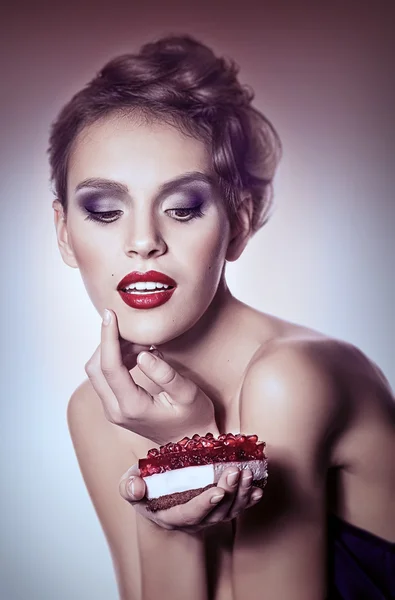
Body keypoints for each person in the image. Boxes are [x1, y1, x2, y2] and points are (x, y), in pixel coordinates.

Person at [50, 34, 395, 600]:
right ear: (64, 232)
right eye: (105, 211)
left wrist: (188, 455)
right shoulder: (96, 410)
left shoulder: (292, 381)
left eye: (182, 209)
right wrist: (172, 487)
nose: (142, 242)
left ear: (238, 221)